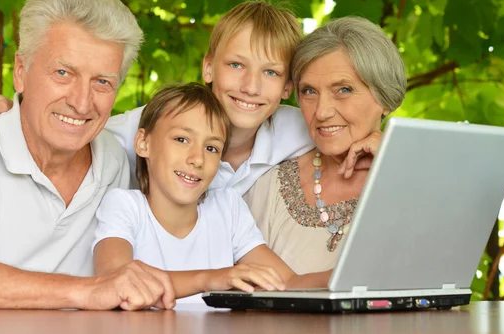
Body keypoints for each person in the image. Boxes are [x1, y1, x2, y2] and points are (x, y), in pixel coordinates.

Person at [0, 1, 372, 199]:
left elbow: (346, 129)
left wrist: (381, 143)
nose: (251, 86)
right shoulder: (160, 123)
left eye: (271, 73)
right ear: (207, 69)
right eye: (236, 65)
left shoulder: (298, 129)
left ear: (288, 89)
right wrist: (13, 105)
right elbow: (80, 119)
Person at [0, 0, 175, 310]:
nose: (81, 102)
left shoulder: (118, 160)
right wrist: (85, 291)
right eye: (63, 73)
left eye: (102, 81)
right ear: (21, 72)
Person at [93, 83, 330, 300]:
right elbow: (116, 281)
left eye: (211, 147)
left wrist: (343, 277)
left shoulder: (228, 208)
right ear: (143, 143)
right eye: (182, 139)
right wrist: (212, 279)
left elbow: (286, 282)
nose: (197, 159)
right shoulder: (124, 206)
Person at [244, 16, 407, 274]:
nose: (321, 112)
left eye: (343, 90)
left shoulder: (417, 180)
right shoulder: (268, 187)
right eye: (309, 91)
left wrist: (396, 165)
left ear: (384, 97)